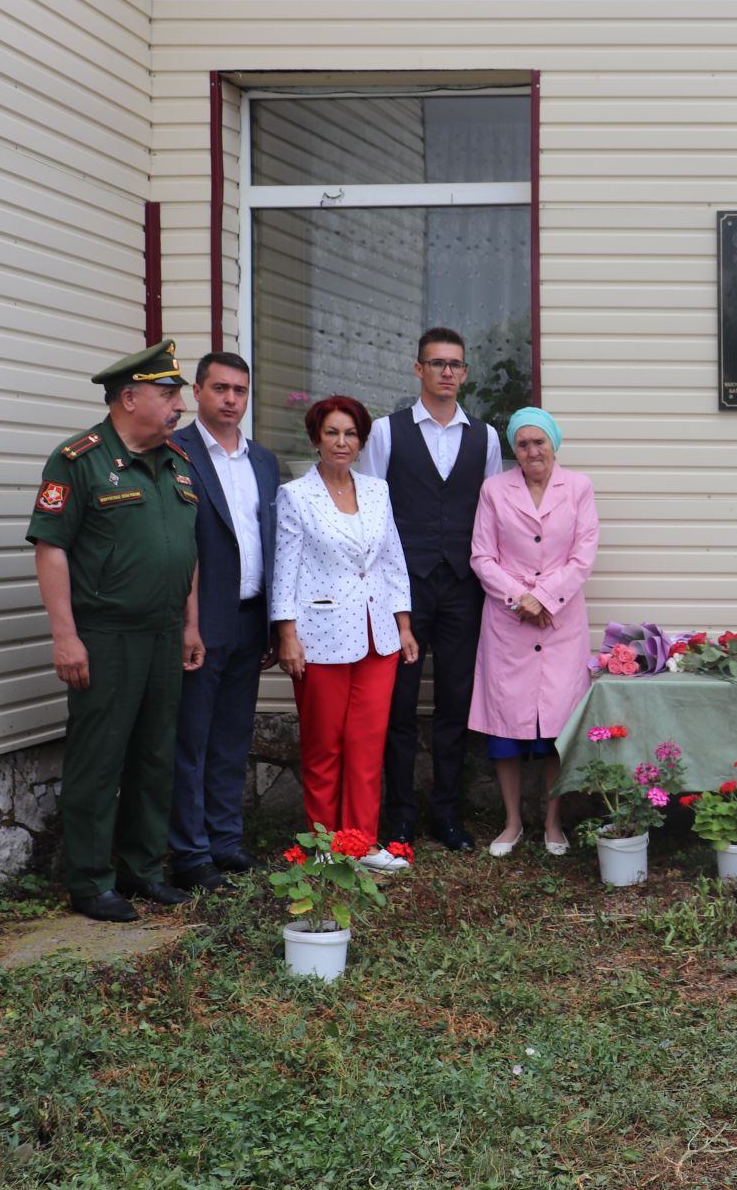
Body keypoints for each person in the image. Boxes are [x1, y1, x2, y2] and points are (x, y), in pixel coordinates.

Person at [28, 340, 206, 922]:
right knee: (99, 758)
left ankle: (142, 870)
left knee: (155, 756)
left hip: (162, 634)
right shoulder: (78, 459)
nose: (179, 403)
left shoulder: (178, 463)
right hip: (103, 635)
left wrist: (189, 625)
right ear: (129, 398)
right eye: (168, 393)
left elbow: (187, 551)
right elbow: (51, 548)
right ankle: (89, 881)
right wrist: (64, 635)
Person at [356, 326, 502, 852]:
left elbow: (487, 514)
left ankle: (447, 813)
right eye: (436, 363)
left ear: (464, 373)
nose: (446, 372)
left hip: (464, 587)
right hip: (404, 588)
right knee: (397, 705)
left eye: (455, 364)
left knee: (455, 703)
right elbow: (371, 511)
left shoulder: (485, 437)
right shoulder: (385, 432)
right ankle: (399, 816)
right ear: (418, 370)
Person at [273, 397, 420, 872]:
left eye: (351, 434)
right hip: (319, 638)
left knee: (366, 744)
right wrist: (287, 635)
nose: (342, 442)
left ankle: (359, 844)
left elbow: (393, 560)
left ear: (361, 441)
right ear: (316, 438)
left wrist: (404, 625)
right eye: (332, 433)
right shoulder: (296, 495)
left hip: (379, 638)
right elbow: (285, 571)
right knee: (323, 745)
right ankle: (321, 843)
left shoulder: (378, 490)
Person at [168, 352, 279, 892]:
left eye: (240, 389)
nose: (231, 399)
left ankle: (225, 842)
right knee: (192, 739)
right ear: (197, 392)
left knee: (232, 738)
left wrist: (275, 623)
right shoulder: (176, 452)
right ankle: (190, 855)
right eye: (220, 389)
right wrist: (189, 623)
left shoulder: (263, 460)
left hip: (250, 616)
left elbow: (270, 540)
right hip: (200, 619)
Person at [467, 408, 598, 857]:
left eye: (539, 441)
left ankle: (553, 822)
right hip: (509, 623)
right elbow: (483, 556)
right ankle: (512, 822)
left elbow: (583, 555)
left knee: (555, 729)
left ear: (553, 443)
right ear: (513, 451)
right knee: (506, 729)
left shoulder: (578, 487)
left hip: (560, 625)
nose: (531, 450)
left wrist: (544, 597)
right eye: (522, 444)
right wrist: (520, 599)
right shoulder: (494, 490)